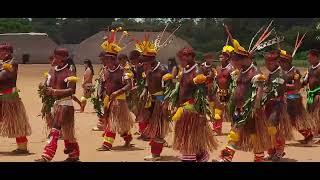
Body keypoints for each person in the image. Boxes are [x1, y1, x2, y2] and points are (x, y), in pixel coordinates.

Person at [216, 37, 271, 162]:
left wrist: (255, 109)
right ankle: (226, 158)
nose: (233, 63)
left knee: (254, 136)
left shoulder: (255, 72)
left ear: (243, 60)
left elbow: (259, 92)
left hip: (251, 111)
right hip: (239, 110)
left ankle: (259, 159)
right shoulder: (241, 71)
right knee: (234, 133)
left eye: (234, 60)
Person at [171, 47, 218, 162]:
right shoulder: (184, 70)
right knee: (187, 137)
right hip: (183, 109)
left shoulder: (197, 71)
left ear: (192, 57)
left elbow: (202, 93)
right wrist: (176, 105)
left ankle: (192, 158)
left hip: (192, 110)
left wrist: (201, 113)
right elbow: (181, 89)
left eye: (185, 57)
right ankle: (202, 156)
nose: (181, 60)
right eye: (181, 58)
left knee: (189, 137)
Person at [35, 48, 80, 162]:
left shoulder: (70, 70)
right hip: (56, 104)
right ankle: (74, 154)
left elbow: (71, 90)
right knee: (66, 131)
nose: (53, 58)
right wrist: (43, 87)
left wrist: (54, 92)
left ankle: (47, 156)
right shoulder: (52, 70)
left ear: (63, 59)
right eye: (54, 56)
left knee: (55, 130)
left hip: (65, 104)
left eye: (56, 57)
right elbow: (46, 85)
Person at [132, 33, 171, 161]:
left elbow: (169, 89)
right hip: (150, 100)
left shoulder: (163, 70)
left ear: (153, 59)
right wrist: (145, 90)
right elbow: (148, 84)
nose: (143, 64)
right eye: (143, 61)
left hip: (160, 100)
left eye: (146, 60)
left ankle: (155, 153)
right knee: (149, 125)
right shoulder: (147, 70)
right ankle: (157, 146)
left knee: (157, 126)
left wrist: (165, 103)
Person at [96, 29, 134, 151]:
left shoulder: (123, 71)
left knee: (112, 123)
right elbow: (103, 83)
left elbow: (129, 85)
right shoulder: (105, 71)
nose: (105, 61)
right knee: (119, 122)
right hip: (108, 100)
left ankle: (107, 144)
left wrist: (117, 92)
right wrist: (101, 94)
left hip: (119, 101)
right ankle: (127, 137)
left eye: (107, 59)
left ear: (114, 59)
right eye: (105, 59)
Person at [0, 42, 32, 154]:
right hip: (2, 96)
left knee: (16, 122)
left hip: (10, 97)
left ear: (8, 52)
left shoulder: (12, 63)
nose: (0, 53)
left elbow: (4, 77)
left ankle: (22, 148)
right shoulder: (2, 63)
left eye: (2, 51)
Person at [280, 48, 316, 145]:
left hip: (293, 99)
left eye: (282, 62)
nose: (280, 64)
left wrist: (284, 86)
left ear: (287, 62)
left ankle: (308, 135)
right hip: (284, 98)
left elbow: (297, 86)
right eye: (280, 62)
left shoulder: (295, 72)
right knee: (286, 119)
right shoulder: (281, 71)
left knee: (294, 120)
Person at [263, 50, 293, 161]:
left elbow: (276, 91)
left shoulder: (281, 74)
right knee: (268, 128)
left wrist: (264, 91)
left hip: (278, 104)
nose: (267, 65)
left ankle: (279, 151)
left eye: (269, 63)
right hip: (269, 104)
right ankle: (271, 151)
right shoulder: (271, 74)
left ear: (277, 63)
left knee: (274, 127)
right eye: (266, 63)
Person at [213, 46, 235, 135]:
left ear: (227, 58)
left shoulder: (231, 68)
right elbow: (215, 80)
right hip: (219, 91)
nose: (220, 58)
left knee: (232, 111)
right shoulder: (218, 68)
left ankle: (234, 128)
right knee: (218, 110)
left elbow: (234, 81)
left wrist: (232, 91)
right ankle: (217, 128)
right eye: (220, 57)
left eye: (222, 57)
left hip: (229, 92)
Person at [303, 49, 320, 141]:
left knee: (317, 114)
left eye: (310, 58)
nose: (308, 60)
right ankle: (314, 132)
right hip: (311, 94)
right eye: (308, 58)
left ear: (316, 57)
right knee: (310, 114)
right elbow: (305, 81)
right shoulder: (310, 69)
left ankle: (316, 134)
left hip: (318, 94)